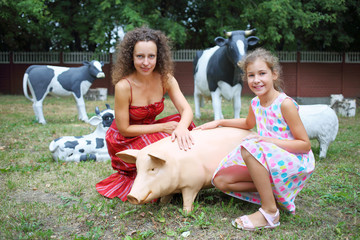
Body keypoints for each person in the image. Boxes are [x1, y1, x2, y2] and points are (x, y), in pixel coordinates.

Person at [195, 48, 315, 231]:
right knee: (221, 181)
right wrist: (219, 121)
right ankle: (275, 195)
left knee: (250, 146)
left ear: (274, 74)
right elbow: (247, 123)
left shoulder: (285, 104)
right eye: (251, 75)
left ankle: (270, 212)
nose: (256, 80)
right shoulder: (255, 102)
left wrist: (267, 140)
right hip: (267, 158)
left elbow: (305, 145)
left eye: (262, 73)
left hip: (292, 160)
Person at [96, 27, 195, 201]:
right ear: (131, 57)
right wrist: (163, 127)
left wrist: (180, 128)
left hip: (150, 129)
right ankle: (162, 181)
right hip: (125, 139)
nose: (146, 62)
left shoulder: (166, 78)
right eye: (140, 56)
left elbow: (186, 110)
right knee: (161, 145)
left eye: (151, 56)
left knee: (187, 127)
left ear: (158, 57)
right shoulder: (123, 86)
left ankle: (183, 176)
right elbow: (124, 129)